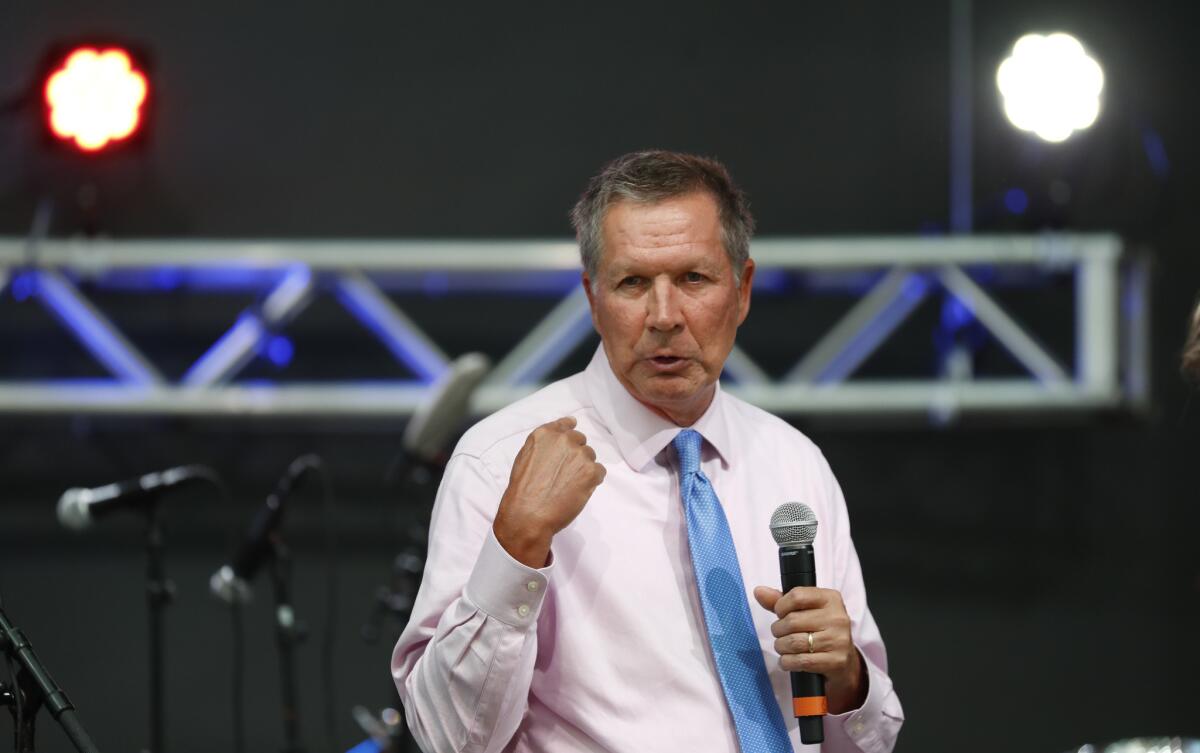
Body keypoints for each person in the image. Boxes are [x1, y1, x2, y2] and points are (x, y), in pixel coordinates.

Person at [392, 150, 903, 752]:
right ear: (593, 297)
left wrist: (846, 679)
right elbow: (447, 739)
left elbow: (873, 738)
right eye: (633, 282)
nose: (664, 316)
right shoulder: (499, 460)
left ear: (741, 291)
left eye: (693, 279)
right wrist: (516, 546)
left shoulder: (794, 462)